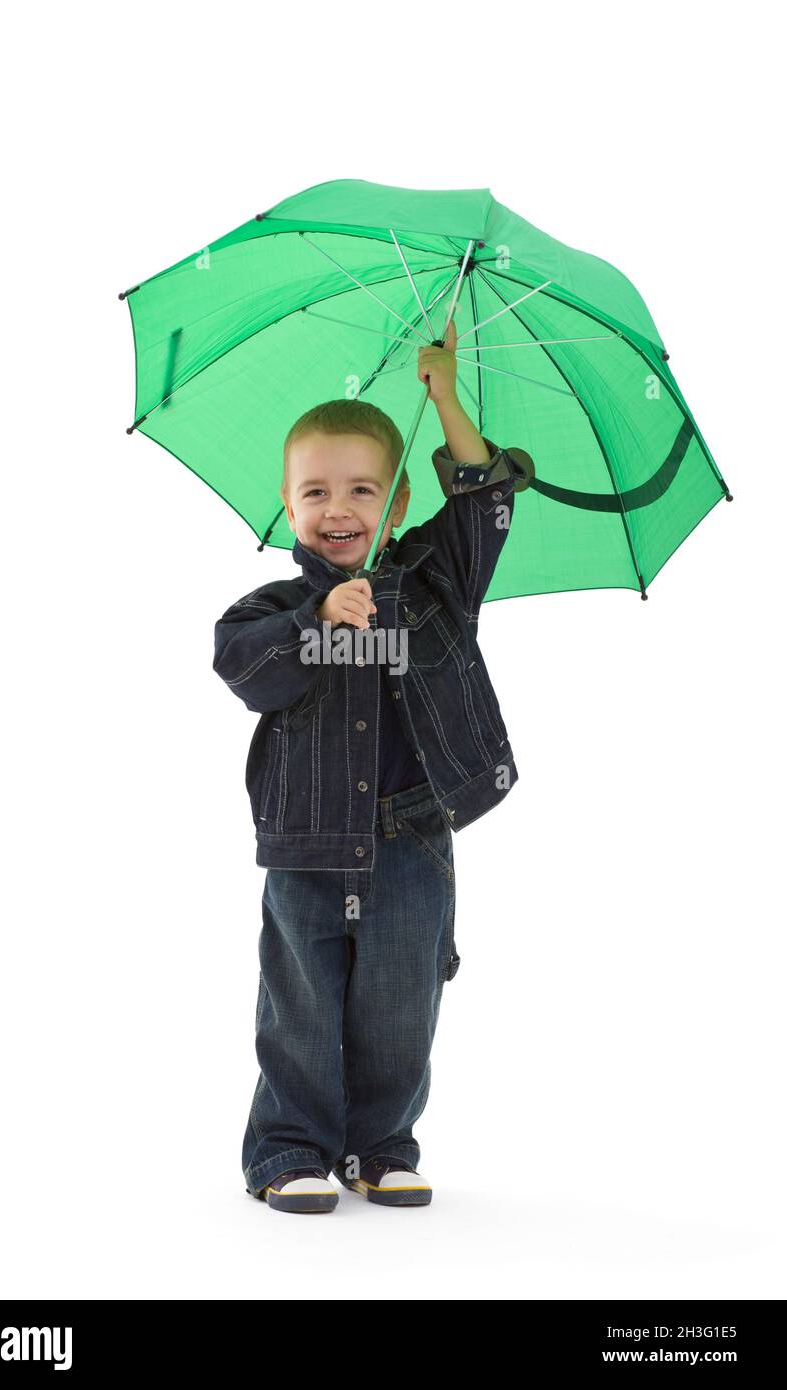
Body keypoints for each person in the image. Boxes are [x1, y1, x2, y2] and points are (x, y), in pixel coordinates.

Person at [213, 320, 534, 1212]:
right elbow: (241, 669)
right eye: (316, 491)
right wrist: (316, 620)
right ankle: (288, 1147)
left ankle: (382, 1144)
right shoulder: (270, 607)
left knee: (400, 1003)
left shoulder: (436, 579)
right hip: (306, 841)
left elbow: (485, 501)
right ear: (288, 507)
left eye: (363, 489)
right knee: (302, 1004)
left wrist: (446, 399)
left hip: (412, 839)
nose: (340, 508)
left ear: (396, 505)